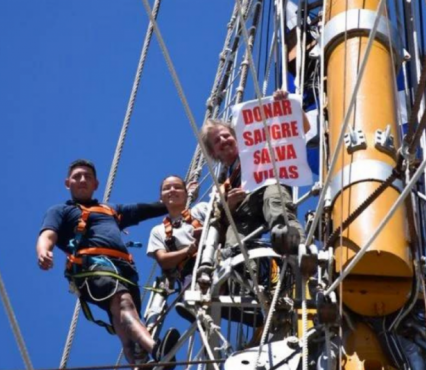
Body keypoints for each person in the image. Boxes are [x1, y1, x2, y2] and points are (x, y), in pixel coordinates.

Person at [36, 159, 179, 366]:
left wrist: (179, 196)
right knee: (123, 303)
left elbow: (147, 209)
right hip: (92, 267)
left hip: (124, 269)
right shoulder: (61, 211)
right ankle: (157, 350)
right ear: (68, 183)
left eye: (88, 177)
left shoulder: (111, 209)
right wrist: (43, 251)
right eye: (77, 177)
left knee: (124, 323)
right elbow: (48, 234)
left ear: (96, 184)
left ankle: (138, 362)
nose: (82, 180)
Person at [199, 91, 305, 256]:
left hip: (270, 186)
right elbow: (220, 220)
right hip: (246, 208)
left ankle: (293, 243)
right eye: (217, 141)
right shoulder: (224, 187)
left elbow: (299, 130)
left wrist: (286, 106)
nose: (223, 141)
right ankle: (240, 272)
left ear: (236, 137)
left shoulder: (262, 147)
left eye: (226, 136)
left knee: (274, 198)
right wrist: (231, 204)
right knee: (235, 232)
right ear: (214, 154)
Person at [146, 175, 208, 322]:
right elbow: (163, 261)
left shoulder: (201, 210)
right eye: (167, 188)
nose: (172, 190)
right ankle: (198, 314)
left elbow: (223, 223)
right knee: (191, 283)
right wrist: (189, 250)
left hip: (215, 259)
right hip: (189, 271)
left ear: (187, 193)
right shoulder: (158, 231)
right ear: (161, 198)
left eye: (178, 187)